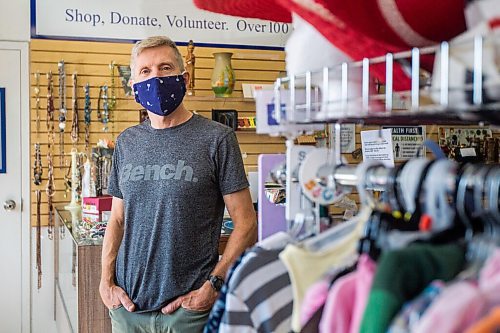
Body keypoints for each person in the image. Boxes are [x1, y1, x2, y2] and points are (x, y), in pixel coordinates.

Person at [99, 35, 257, 333]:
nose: (155, 78)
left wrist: (213, 285)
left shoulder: (217, 139)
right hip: (127, 309)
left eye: (165, 68)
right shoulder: (127, 142)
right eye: (145, 72)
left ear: (183, 77)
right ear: (133, 85)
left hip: (189, 312)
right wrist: (106, 282)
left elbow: (246, 223)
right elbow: (117, 219)